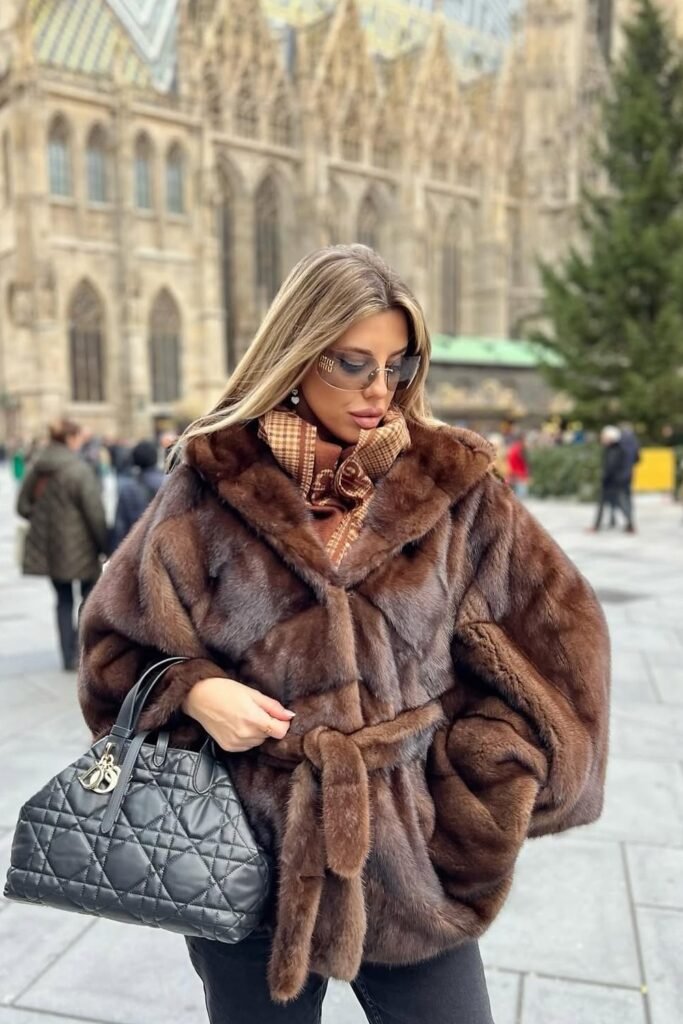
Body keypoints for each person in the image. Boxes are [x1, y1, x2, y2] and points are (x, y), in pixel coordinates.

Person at [78, 245, 610, 1024]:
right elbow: (111, 652)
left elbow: (561, 651)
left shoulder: (456, 490)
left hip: (411, 865)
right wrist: (196, 692)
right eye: (351, 363)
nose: (378, 390)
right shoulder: (210, 484)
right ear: (295, 354)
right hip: (243, 862)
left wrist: (478, 804)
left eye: (398, 364)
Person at [17, 418, 108, 671]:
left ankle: (67, 655)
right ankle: (81, 652)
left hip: (50, 548)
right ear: (70, 439)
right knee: (87, 598)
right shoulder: (78, 469)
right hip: (82, 547)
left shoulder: (37, 467)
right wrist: (105, 544)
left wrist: (43, 517)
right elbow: (95, 513)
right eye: (79, 438)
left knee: (63, 599)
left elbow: (22, 507)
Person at [110, 440, 164, 550]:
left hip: (138, 548)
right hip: (165, 546)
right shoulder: (169, 483)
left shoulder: (128, 488)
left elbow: (121, 526)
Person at [591, 425, 635, 533]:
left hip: (613, 482)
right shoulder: (616, 448)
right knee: (617, 503)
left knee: (616, 503)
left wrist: (605, 478)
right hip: (618, 481)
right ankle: (629, 525)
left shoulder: (614, 450)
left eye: (604, 436)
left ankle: (597, 526)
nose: (602, 439)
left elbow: (611, 467)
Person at [506, 433, 530, 498]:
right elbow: (521, 463)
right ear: (522, 440)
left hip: (515, 474)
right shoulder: (519, 450)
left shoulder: (514, 448)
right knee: (521, 497)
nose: (527, 442)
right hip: (519, 475)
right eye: (526, 440)